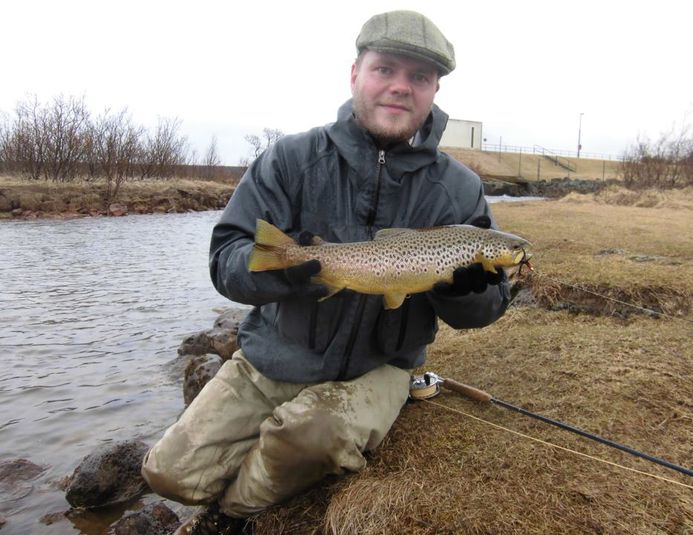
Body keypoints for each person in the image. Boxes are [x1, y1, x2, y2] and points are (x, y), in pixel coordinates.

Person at [142, 10, 510, 535]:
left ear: (434, 91)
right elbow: (226, 258)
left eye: (420, 78)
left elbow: (485, 310)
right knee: (168, 475)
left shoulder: (459, 189)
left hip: (379, 366)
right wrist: (292, 270)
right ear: (355, 73)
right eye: (385, 69)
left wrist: (461, 294)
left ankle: (231, 515)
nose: (401, 88)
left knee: (309, 436)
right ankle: (252, 465)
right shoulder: (290, 160)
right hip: (275, 357)